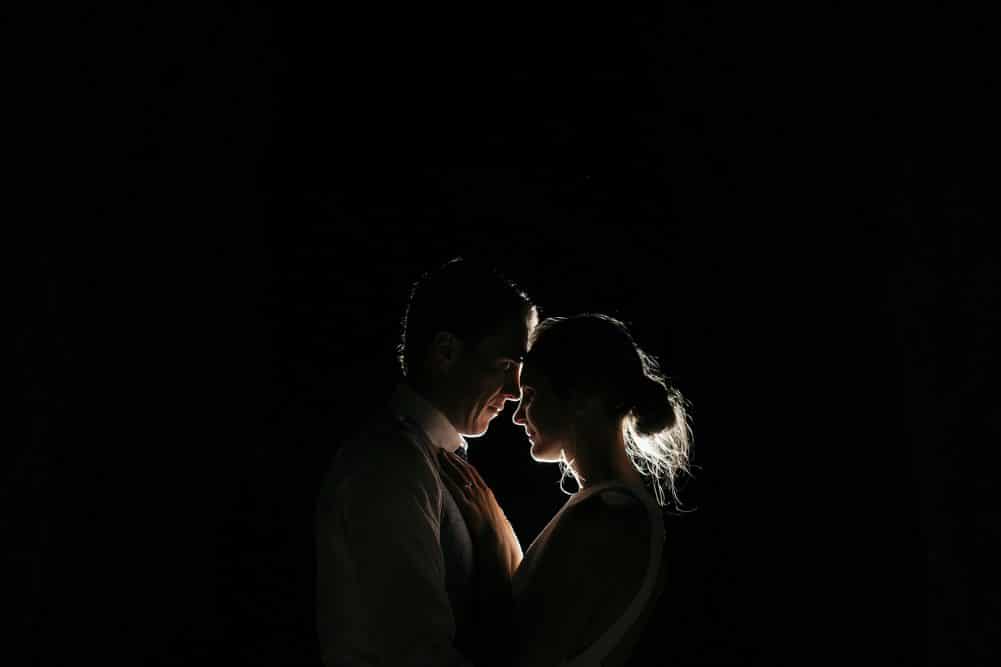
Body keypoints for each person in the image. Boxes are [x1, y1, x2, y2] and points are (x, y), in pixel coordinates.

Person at [315, 257, 537, 666]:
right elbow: (414, 648)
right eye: (506, 366)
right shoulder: (390, 464)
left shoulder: (431, 463)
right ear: (446, 352)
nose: (514, 391)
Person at [440, 313, 692, 666]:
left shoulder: (608, 518)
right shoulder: (609, 507)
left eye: (531, 394)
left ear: (580, 400)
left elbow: (519, 655)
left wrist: (489, 538)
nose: (518, 416)